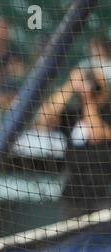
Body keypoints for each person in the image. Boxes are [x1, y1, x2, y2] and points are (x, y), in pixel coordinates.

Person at [35, 36, 111, 217]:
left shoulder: (107, 112)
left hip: (104, 197)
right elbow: (43, 119)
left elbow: (97, 133)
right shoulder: (73, 114)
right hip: (73, 196)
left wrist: (89, 98)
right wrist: (70, 86)